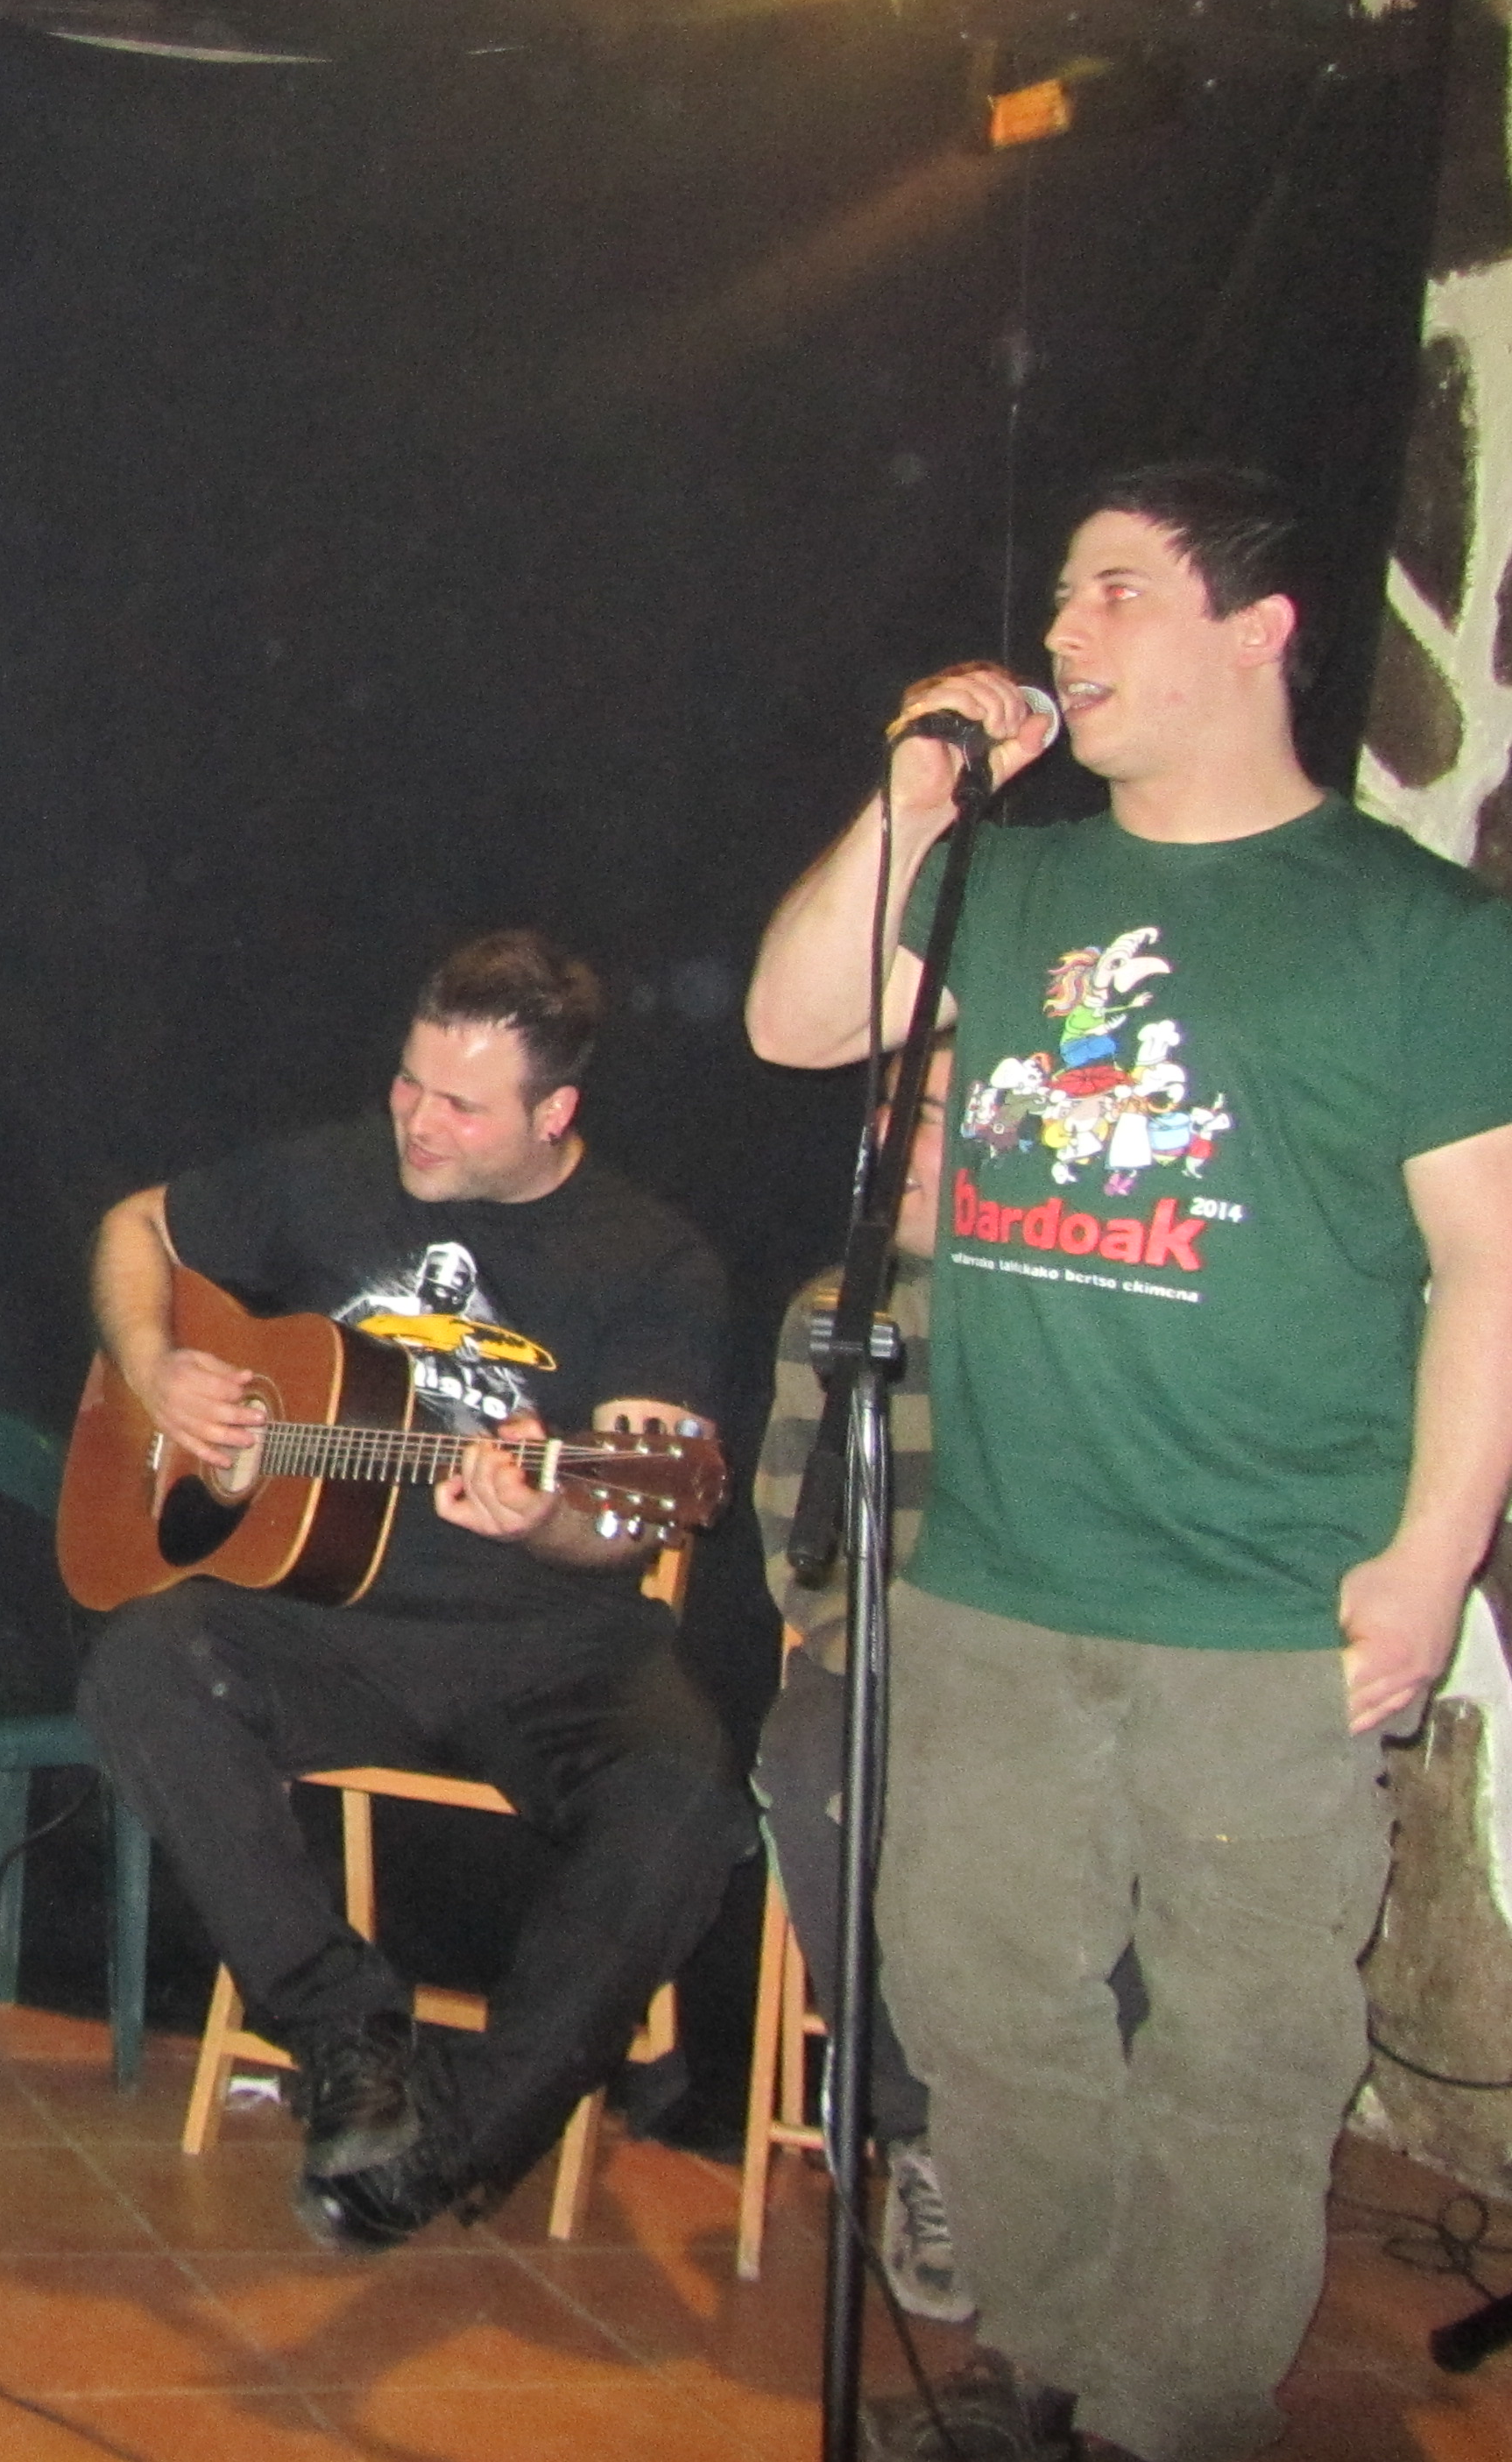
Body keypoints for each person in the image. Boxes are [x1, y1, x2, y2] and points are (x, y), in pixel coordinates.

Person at [746, 463, 1512, 2462]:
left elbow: (1494, 1269)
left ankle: (1169, 2418)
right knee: (979, 1996)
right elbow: (795, 1018)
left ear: (1260, 630)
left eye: (1117, 594)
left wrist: (1430, 1557)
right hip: (997, 1577)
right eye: (1066, 595)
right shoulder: (1015, 887)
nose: (1064, 634)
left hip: (1269, 1603)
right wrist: (916, 797)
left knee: (1244, 2048)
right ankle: (1056, 2365)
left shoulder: (1420, 934)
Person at [75, 929, 752, 2249]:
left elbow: (630, 1521)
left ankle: (451, 2140)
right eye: (408, 1084)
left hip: (552, 1643)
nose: (418, 1123)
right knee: (142, 1665)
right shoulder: (331, 1174)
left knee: (682, 1804)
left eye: (461, 1107)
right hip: (330, 1625)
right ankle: (345, 2036)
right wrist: (155, 1366)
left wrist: (552, 1517)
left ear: (554, 1113)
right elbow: (131, 1226)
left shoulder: (653, 1261)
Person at [747, 1046, 964, 2323]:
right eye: (887, 1115)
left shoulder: (1082, 1318)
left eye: (926, 1117)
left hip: (1058, 1667)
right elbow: (804, 1558)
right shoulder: (837, 1315)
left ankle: (1090, 2144)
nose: (892, 1143)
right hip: (889, 1662)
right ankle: (916, 2133)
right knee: (811, 1768)